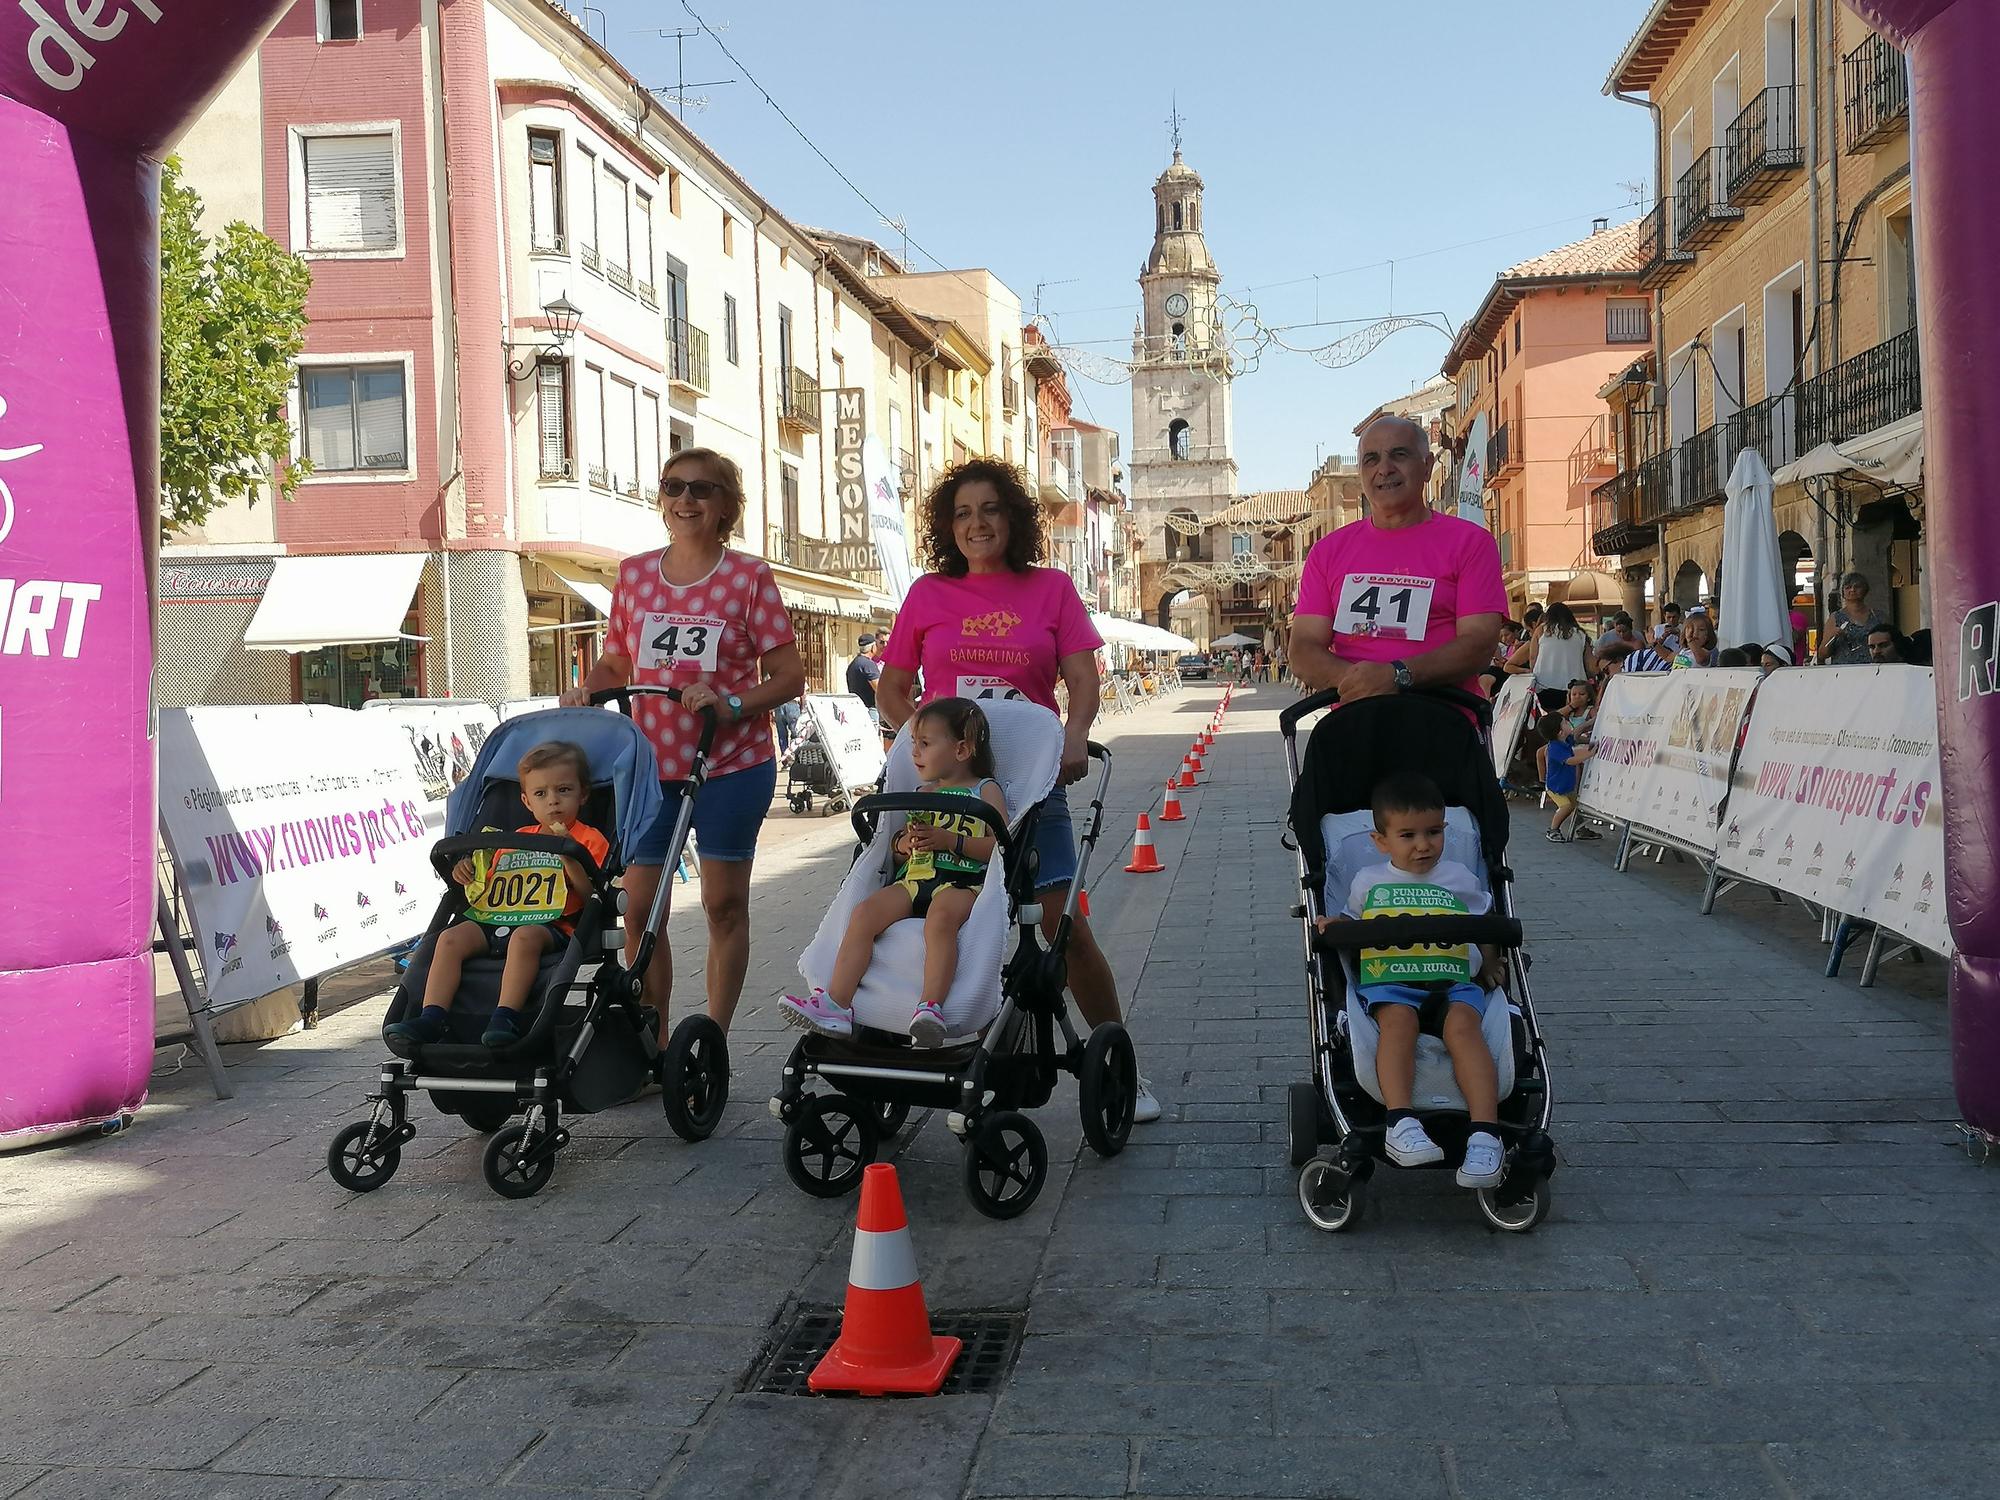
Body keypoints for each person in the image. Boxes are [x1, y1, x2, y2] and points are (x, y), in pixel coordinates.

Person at [877, 457, 1160, 1123]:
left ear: (1013, 517)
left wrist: (1075, 735)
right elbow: (893, 686)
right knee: (923, 908)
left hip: (1034, 783)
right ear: (950, 526)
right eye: (964, 513)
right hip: (947, 792)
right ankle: (911, 1048)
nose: (978, 523)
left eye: (991, 509)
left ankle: (1122, 1065)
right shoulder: (928, 595)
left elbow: (1083, 681)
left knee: (1062, 923)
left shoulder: (1051, 589)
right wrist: (915, 741)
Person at [563, 448, 806, 1043]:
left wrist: (732, 704)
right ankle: (657, 1042)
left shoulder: (748, 578)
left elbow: (788, 677)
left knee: (723, 904)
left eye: (702, 489)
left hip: (729, 763)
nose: (686, 500)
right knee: (641, 908)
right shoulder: (636, 574)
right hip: (650, 767)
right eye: (674, 487)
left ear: (726, 505)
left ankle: (712, 1041)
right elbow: (619, 658)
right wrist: (586, 690)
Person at [779, 697, 1007, 1047]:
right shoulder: (923, 793)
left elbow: (1002, 846)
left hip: (962, 882)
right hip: (916, 878)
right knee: (864, 913)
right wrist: (903, 845)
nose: (914, 752)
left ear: (962, 749)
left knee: (941, 920)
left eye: (925, 744)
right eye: (913, 743)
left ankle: (930, 1006)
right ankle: (836, 1004)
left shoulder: (984, 790)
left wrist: (951, 841)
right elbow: (898, 848)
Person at [1333, 772, 1506, 1188]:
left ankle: (1486, 1134)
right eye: (1408, 835)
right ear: (1381, 841)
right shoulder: (1368, 882)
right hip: (1393, 983)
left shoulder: (1460, 878)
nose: (1423, 845)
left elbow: (1484, 923)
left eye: (1433, 832)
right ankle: (1400, 1122)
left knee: (1466, 1028)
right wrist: (1331, 925)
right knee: (1397, 1025)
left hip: (1452, 980)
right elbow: (1351, 922)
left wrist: (1490, 960)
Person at [385, 741, 610, 1048]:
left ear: (583, 794)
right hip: (497, 917)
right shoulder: (514, 839)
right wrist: (465, 872)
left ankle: (505, 1016)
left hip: (552, 924)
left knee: (523, 938)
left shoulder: (588, 839)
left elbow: (591, 897)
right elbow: (488, 884)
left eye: (564, 790)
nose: (553, 802)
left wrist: (571, 857)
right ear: (527, 801)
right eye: (541, 794)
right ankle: (431, 1017)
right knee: (448, 939)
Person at [1288, 415, 1507, 713]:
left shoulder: (1471, 543)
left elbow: (1480, 643)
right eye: (1371, 459)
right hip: (1356, 725)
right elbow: (1302, 649)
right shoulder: (1326, 552)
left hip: (1446, 723)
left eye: (1399, 455)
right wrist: (1362, 683)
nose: (1384, 469)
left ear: (1427, 466)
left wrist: (1398, 676)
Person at [1539, 712, 1596, 842]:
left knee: (1576, 805)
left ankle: (1580, 829)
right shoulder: (1554, 748)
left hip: (1566, 785)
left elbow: (1576, 734)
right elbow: (1570, 760)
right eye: (1564, 722)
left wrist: (1590, 722)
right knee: (1567, 806)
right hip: (1555, 788)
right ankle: (1553, 830)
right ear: (1560, 732)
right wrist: (1590, 754)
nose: (1568, 723)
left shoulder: (1564, 740)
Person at [1530, 602, 1593, 710]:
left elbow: (1532, 658)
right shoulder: (1580, 634)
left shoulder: (1541, 630)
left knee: (1549, 722)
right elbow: (1590, 665)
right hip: (1575, 688)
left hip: (1545, 686)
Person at [1817, 572, 1888, 665]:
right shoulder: (1835, 618)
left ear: (1865, 589)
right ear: (1842, 592)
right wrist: (1832, 637)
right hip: (1845, 672)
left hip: (1874, 670)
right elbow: (1822, 654)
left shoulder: (1878, 616)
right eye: (1848, 587)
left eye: (1857, 587)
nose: (1852, 590)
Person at [773, 688, 803, 761]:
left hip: (778, 704)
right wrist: (802, 708)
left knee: (782, 735)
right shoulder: (795, 676)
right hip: (792, 704)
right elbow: (802, 691)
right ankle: (795, 757)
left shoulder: (775, 677)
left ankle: (786, 759)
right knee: (796, 732)